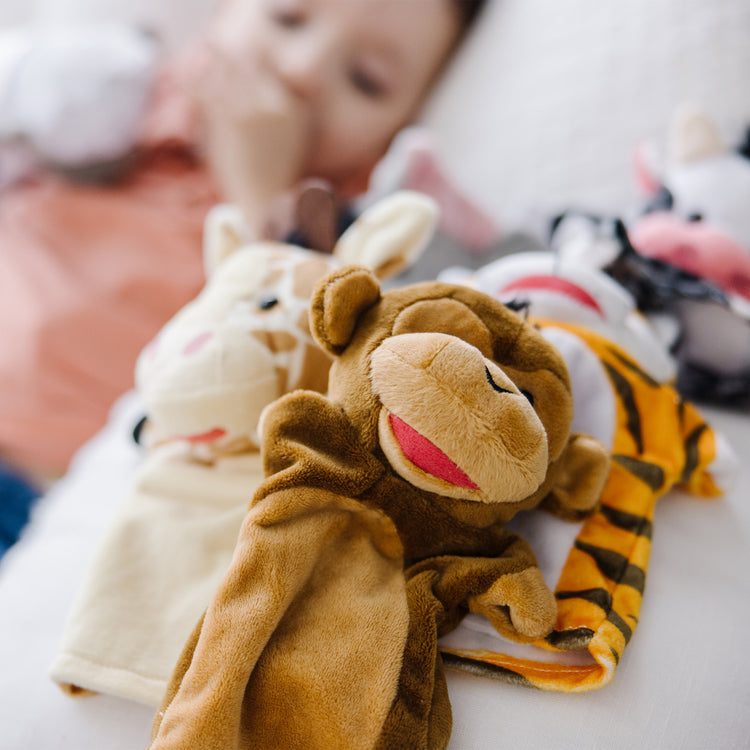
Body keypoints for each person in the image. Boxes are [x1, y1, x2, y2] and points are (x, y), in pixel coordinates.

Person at [0, 0, 486, 556]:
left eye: (365, 80)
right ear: (223, 15)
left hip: (48, 495)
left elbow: (297, 378)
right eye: (287, 19)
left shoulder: (345, 242)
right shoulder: (123, 105)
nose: (301, 69)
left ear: (399, 130)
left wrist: (261, 191)